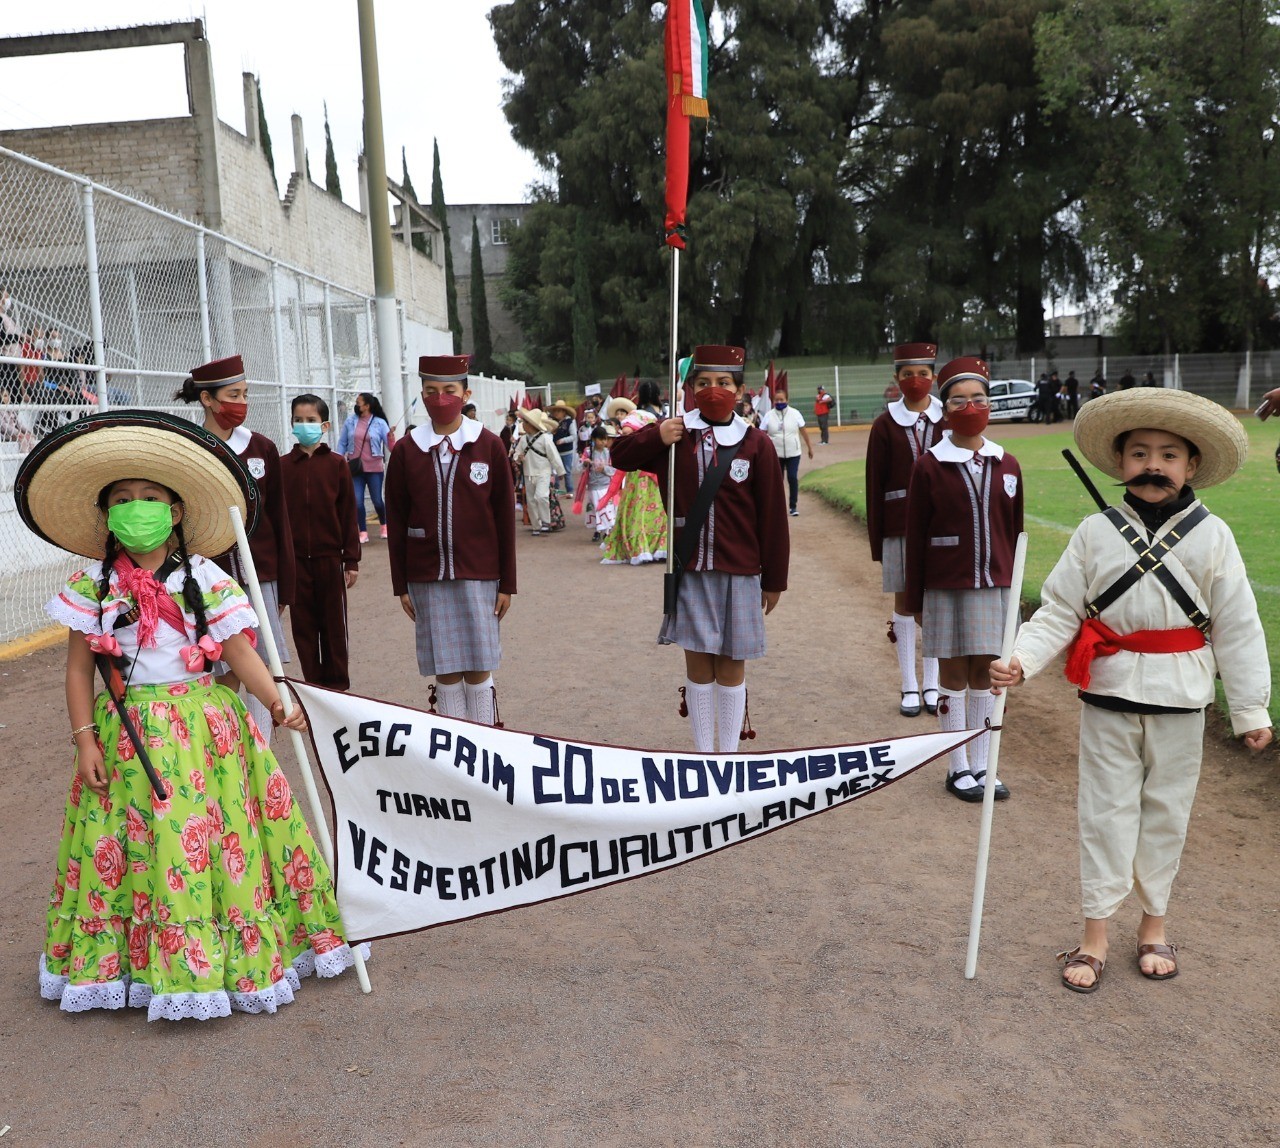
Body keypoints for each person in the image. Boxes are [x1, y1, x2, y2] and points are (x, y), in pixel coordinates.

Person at [15, 410, 362, 1020]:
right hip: (127, 737)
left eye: (149, 497)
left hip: (208, 735)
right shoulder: (91, 587)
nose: (136, 508)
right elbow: (77, 671)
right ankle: (134, 963)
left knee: (208, 840)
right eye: (122, 499)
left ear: (176, 510)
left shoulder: (205, 578)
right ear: (107, 515)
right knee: (142, 844)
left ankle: (218, 960)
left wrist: (281, 703)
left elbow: (240, 653)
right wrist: (85, 741)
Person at [990, 389, 1271, 992]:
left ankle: (1153, 927)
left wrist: (1249, 708)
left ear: (1191, 467)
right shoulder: (1095, 531)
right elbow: (1062, 609)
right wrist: (1021, 659)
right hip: (1108, 694)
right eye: (1139, 452)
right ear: (1120, 463)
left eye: (1169, 455)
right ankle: (1094, 934)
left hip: (1183, 699)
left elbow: (1237, 623)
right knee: (1105, 814)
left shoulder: (1213, 535)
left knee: (1166, 815)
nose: (1153, 466)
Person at [610, 345, 790, 752]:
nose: (714, 390)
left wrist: (774, 578)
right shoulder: (675, 436)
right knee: (698, 665)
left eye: (724, 383)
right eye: (704, 383)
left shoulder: (756, 443)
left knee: (731, 664)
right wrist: (655, 434)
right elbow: (619, 457)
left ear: (740, 391)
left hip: (740, 571)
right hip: (690, 570)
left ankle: (727, 755)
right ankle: (703, 756)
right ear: (690, 389)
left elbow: (773, 517)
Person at [904, 356, 1023, 803]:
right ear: (945, 407)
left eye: (978, 399)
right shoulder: (929, 465)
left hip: (994, 584)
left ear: (989, 405)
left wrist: (1011, 585)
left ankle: (983, 764)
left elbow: (1016, 531)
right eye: (959, 400)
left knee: (986, 674)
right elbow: (915, 536)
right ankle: (957, 767)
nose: (970, 406)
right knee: (953, 674)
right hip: (947, 584)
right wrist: (916, 597)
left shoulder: (1007, 464)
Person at [386, 355, 516, 725]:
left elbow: (505, 518)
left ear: (465, 393)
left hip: (479, 573)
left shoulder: (488, 445)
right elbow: (395, 520)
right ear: (422, 395)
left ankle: (488, 741)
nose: (440, 398)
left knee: (478, 666)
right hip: (427, 577)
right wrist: (401, 585)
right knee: (444, 670)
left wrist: (507, 583)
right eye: (431, 391)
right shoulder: (407, 450)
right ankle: (454, 752)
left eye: (448, 391)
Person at [176, 355, 295, 742]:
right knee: (220, 671)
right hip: (206, 583)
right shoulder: (187, 449)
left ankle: (263, 753)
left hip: (261, 579)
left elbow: (280, 519)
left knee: (263, 664)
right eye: (232, 395)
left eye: (244, 394)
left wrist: (284, 587)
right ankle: (225, 749)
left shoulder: (262, 448)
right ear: (207, 399)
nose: (241, 402)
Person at [865, 342, 945, 717]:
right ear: (896, 378)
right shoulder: (885, 423)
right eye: (908, 374)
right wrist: (877, 540)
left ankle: (932, 682)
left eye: (923, 373)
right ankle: (909, 685)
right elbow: (874, 482)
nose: (916, 380)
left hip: (941, 524)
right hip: (899, 525)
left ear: (934, 376)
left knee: (933, 602)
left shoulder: (947, 418)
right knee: (903, 601)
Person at [281, 394, 361, 691]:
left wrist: (350, 559)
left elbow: (347, 514)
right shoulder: (283, 467)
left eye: (311, 421)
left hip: (330, 559)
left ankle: (338, 688)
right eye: (298, 420)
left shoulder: (337, 464)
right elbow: (279, 518)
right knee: (303, 627)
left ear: (324, 425)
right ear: (291, 424)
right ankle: (313, 688)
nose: (304, 425)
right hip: (296, 562)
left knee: (334, 628)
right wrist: (282, 562)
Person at [598, 410, 669, 565]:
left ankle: (643, 546)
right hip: (649, 475)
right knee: (655, 510)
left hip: (639, 474)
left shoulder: (633, 419)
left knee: (638, 510)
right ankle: (657, 546)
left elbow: (626, 436)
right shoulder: (650, 419)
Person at [338, 392, 393, 544]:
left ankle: (384, 524)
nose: (356, 405)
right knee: (357, 501)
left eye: (358, 402)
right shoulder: (350, 421)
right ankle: (362, 531)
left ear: (367, 406)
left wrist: (391, 438)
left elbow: (390, 446)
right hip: (356, 468)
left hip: (374, 468)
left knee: (377, 500)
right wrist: (338, 459)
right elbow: (342, 442)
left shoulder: (380, 423)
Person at [760, 387, 813, 516]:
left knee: (792, 477)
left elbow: (803, 430)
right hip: (775, 454)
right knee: (777, 481)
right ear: (773, 401)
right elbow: (761, 433)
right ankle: (778, 507)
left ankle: (793, 506)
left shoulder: (795, 414)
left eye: (781, 399)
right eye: (776, 400)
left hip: (793, 452)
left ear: (787, 400)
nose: (779, 402)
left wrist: (810, 447)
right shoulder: (768, 415)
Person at [517, 408, 566, 535]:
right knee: (531, 501)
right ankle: (536, 526)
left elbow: (553, 455)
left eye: (525, 422)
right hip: (528, 473)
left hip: (543, 471)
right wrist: (518, 458)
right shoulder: (523, 440)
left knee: (541, 496)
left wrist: (561, 471)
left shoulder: (544, 438)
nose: (523, 425)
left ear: (531, 424)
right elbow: (516, 455)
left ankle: (545, 521)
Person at [580, 422, 617, 541]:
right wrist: (585, 463)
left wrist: (604, 469)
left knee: (604, 507)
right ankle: (597, 530)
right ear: (594, 439)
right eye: (600, 439)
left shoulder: (609, 453)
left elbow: (613, 469)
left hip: (605, 484)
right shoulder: (588, 452)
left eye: (605, 439)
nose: (603, 442)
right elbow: (580, 466)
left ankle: (606, 531)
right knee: (596, 508)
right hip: (593, 485)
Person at [549, 399, 577, 493]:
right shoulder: (553, 422)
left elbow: (574, 436)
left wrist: (563, 440)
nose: (556, 413)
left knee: (567, 471)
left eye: (558, 411)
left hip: (566, 451)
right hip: (556, 451)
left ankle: (570, 490)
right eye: (555, 411)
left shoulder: (569, 422)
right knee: (556, 470)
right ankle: (556, 489)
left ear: (564, 412)